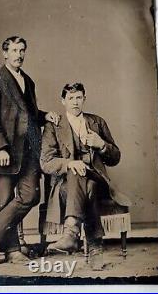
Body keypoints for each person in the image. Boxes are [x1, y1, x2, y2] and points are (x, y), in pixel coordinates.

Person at [0, 36, 59, 265]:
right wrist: (0, 148)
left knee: (31, 195)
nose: (19, 55)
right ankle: (12, 251)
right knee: (4, 202)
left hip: (30, 151)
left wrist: (45, 116)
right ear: (4, 53)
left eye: (22, 50)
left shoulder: (28, 81)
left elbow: (28, 115)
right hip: (5, 153)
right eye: (14, 50)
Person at [40, 83, 129, 270]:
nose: (75, 102)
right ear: (63, 101)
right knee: (87, 184)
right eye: (71, 98)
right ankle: (96, 248)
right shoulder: (53, 125)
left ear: (84, 99)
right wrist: (69, 163)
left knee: (90, 181)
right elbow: (46, 162)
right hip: (66, 188)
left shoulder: (98, 122)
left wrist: (101, 144)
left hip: (98, 179)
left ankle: (70, 234)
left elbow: (116, 158)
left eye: (79, 97)